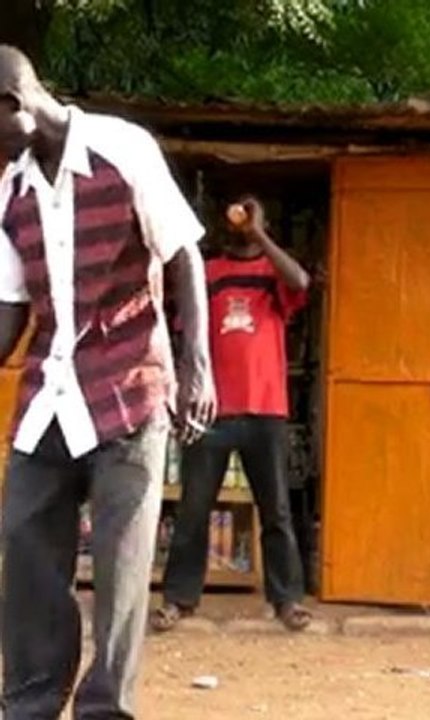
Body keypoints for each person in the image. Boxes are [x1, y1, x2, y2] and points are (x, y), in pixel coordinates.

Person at [0, 45, 216, 719]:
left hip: (131, 390)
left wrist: (196, 365)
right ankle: (31, 703)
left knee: (122, 573)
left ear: (13, 108)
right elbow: (11, 311)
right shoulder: (9, 193)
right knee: (23, 546)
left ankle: (104, 711)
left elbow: (182, 253)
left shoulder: (124, 150)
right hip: (49, 401)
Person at [152, 196, 313, 633]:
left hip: (266, 409)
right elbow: (186, 332)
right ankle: (178, 600)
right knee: (193, 509)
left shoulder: (272, 273)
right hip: (212, 410)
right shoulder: (209, 273)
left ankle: (287, 601)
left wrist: (260, 234)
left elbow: (300, 281)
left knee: (276, 510)